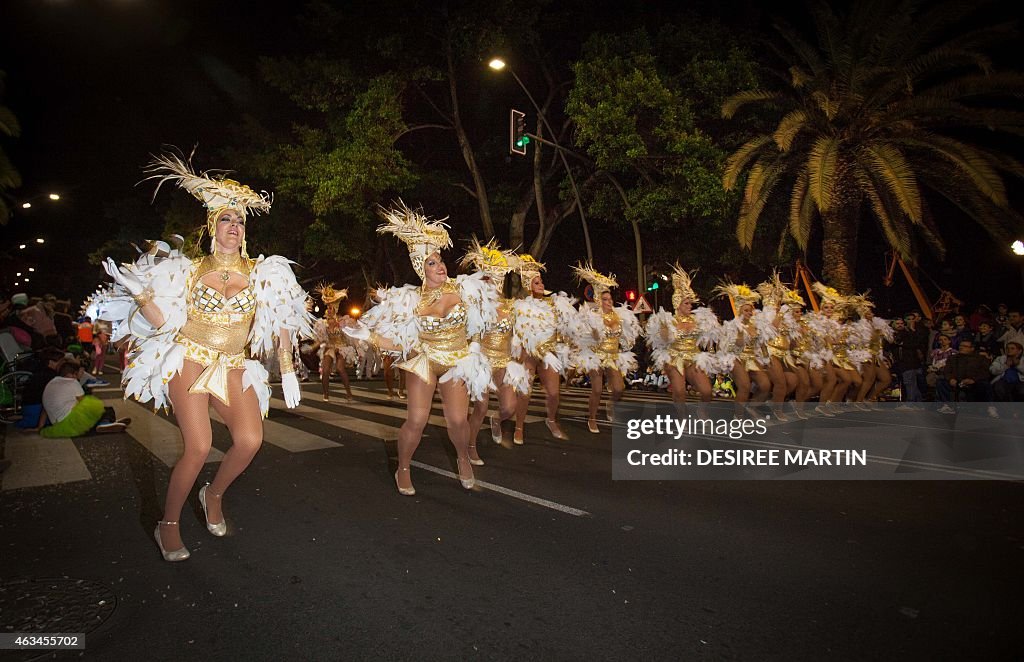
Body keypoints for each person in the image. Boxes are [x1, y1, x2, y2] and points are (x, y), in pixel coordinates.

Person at [100, 149, 313, 562]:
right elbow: (164, 321)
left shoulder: (263, 271)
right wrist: (140, 294)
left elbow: (282, 316)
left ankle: (212, 494)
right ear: (213, 226)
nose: (234, 225)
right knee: (198, 447)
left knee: (250, 441)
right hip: (190, 357)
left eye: (239, 220)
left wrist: (286, 365)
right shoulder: (188, 269)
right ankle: (169, 524)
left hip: (233, 362)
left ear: (245, 231)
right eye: (226, 219)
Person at [346, 202, 495, 495]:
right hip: (424, 359)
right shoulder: (410, 300)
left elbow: (479, 324)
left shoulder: (464, 289)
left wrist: (475, 350)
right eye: (431, 263)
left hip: (456, 360)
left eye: (440, 260)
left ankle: (463, 457)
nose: (440, 266)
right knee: (416, 419)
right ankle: (403, 467)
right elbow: (401, 342)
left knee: (456, 420)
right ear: (420, 268)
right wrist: (368, 336)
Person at [462, 240, 530, 459]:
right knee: (480, 408)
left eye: (499, 277)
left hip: (503, 361)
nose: (495, 281)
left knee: (509, 407)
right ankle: (470, 447)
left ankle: (496, 419)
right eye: (491, 276)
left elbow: (517, 334)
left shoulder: (511, 306)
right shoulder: (476, 304)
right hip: (482, 362)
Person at [511, 254, 576, 442]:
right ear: (527, 285)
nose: (540, 285)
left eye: (541, 281)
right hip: (529, 351)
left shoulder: (553, 304)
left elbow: (562, 328)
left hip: (550, 352)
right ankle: (519, 426)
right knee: (525, 391)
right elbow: (523, 332)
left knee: (554, 392)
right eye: (536, 282)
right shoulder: (521, 306)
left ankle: (551, 420)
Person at [571, 263, 640, 433]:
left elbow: (627, 339)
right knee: (597, 388)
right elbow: (589, 337)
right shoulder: (592, 317)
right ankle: (592, 418)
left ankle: (611, 404)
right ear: (597, 300)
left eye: (610, 299)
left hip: (613, 355)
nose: (609, 302)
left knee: (618, 389)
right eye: (605, 299)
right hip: (595, 355)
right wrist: (595, 330)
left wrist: (627, 342)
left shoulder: (620, 315)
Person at [645, 264, 719, 418]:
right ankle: (682, 416)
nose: (690, 305)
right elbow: (663, 341)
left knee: (706, 391)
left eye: (691, 303)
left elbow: (710, 337)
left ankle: (702, 410)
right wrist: (664, 330)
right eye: (686, 303)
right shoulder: (669, 321)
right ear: (677, 304)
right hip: (674, 357)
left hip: (693, 357)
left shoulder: (698, 320)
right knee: (679, 391)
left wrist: (713, 324)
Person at [715, 281, 776, 418]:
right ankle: (739, 415)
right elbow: (727, 347)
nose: (750, 313)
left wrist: (766, 359)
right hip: (735, 357)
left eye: (751, 310)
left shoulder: (756, 325)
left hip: (751, 358)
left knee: (765, 385)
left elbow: (762, 344)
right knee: (745, 386)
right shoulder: (732, 326)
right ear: (739, 311)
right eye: (746, 310)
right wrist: (740, 336)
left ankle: (752, 407)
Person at [37, 360, 129, 437]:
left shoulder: (51, 382)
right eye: (79, 373)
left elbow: (45, 408)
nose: (80, 375)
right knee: (106, 410)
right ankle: (104, 423)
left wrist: (40, 427)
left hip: (58, 425)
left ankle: (107, 422)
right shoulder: (72, 383)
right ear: (71, 374)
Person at [311, 284, 355, 402]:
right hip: (330, 347)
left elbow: (349, 336)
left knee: (340, 369)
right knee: (325, 370)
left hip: (342, 348)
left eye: (330, 308)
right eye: (328, 308)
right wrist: (312, 347)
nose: (328, 310)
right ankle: (326, 394)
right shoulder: (323, 323)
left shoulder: (343, 321)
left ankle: (349, 393)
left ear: (335, 308)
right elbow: (321, 339)